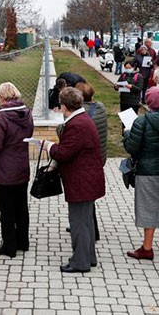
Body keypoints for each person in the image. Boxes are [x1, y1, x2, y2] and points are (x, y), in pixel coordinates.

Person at [41, 87, 105, 273]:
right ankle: (88, 257)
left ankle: (80, 262)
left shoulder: (76, 124)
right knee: (86, 222)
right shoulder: (81, 119)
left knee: (79, 224)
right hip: (87, 180)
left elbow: (64, 153)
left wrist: (49, 146)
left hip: (81, 182)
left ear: (63, 106)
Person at [123, 87, 159, 260]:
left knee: (148, 207)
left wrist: (127, 134)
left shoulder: (141, 122)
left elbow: (131, 147)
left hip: (147, 170)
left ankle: (147, 248)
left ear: (148, 102)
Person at [0, 82, 34, 258]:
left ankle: (9, 247)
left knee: (6, 209)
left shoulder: (0, 116)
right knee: (21, 207)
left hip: (5, 170)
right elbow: (29, 134)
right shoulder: (26, 112)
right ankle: (23, 242)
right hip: (22, 166)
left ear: (2, 97)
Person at [75, 82, 107, 241]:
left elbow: (67, 131)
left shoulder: (83, 114)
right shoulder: (100, 107)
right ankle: (86, 224)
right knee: (89, 196)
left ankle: (91, 230)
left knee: (85, 196)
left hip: (87, 160)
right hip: (100, 156)